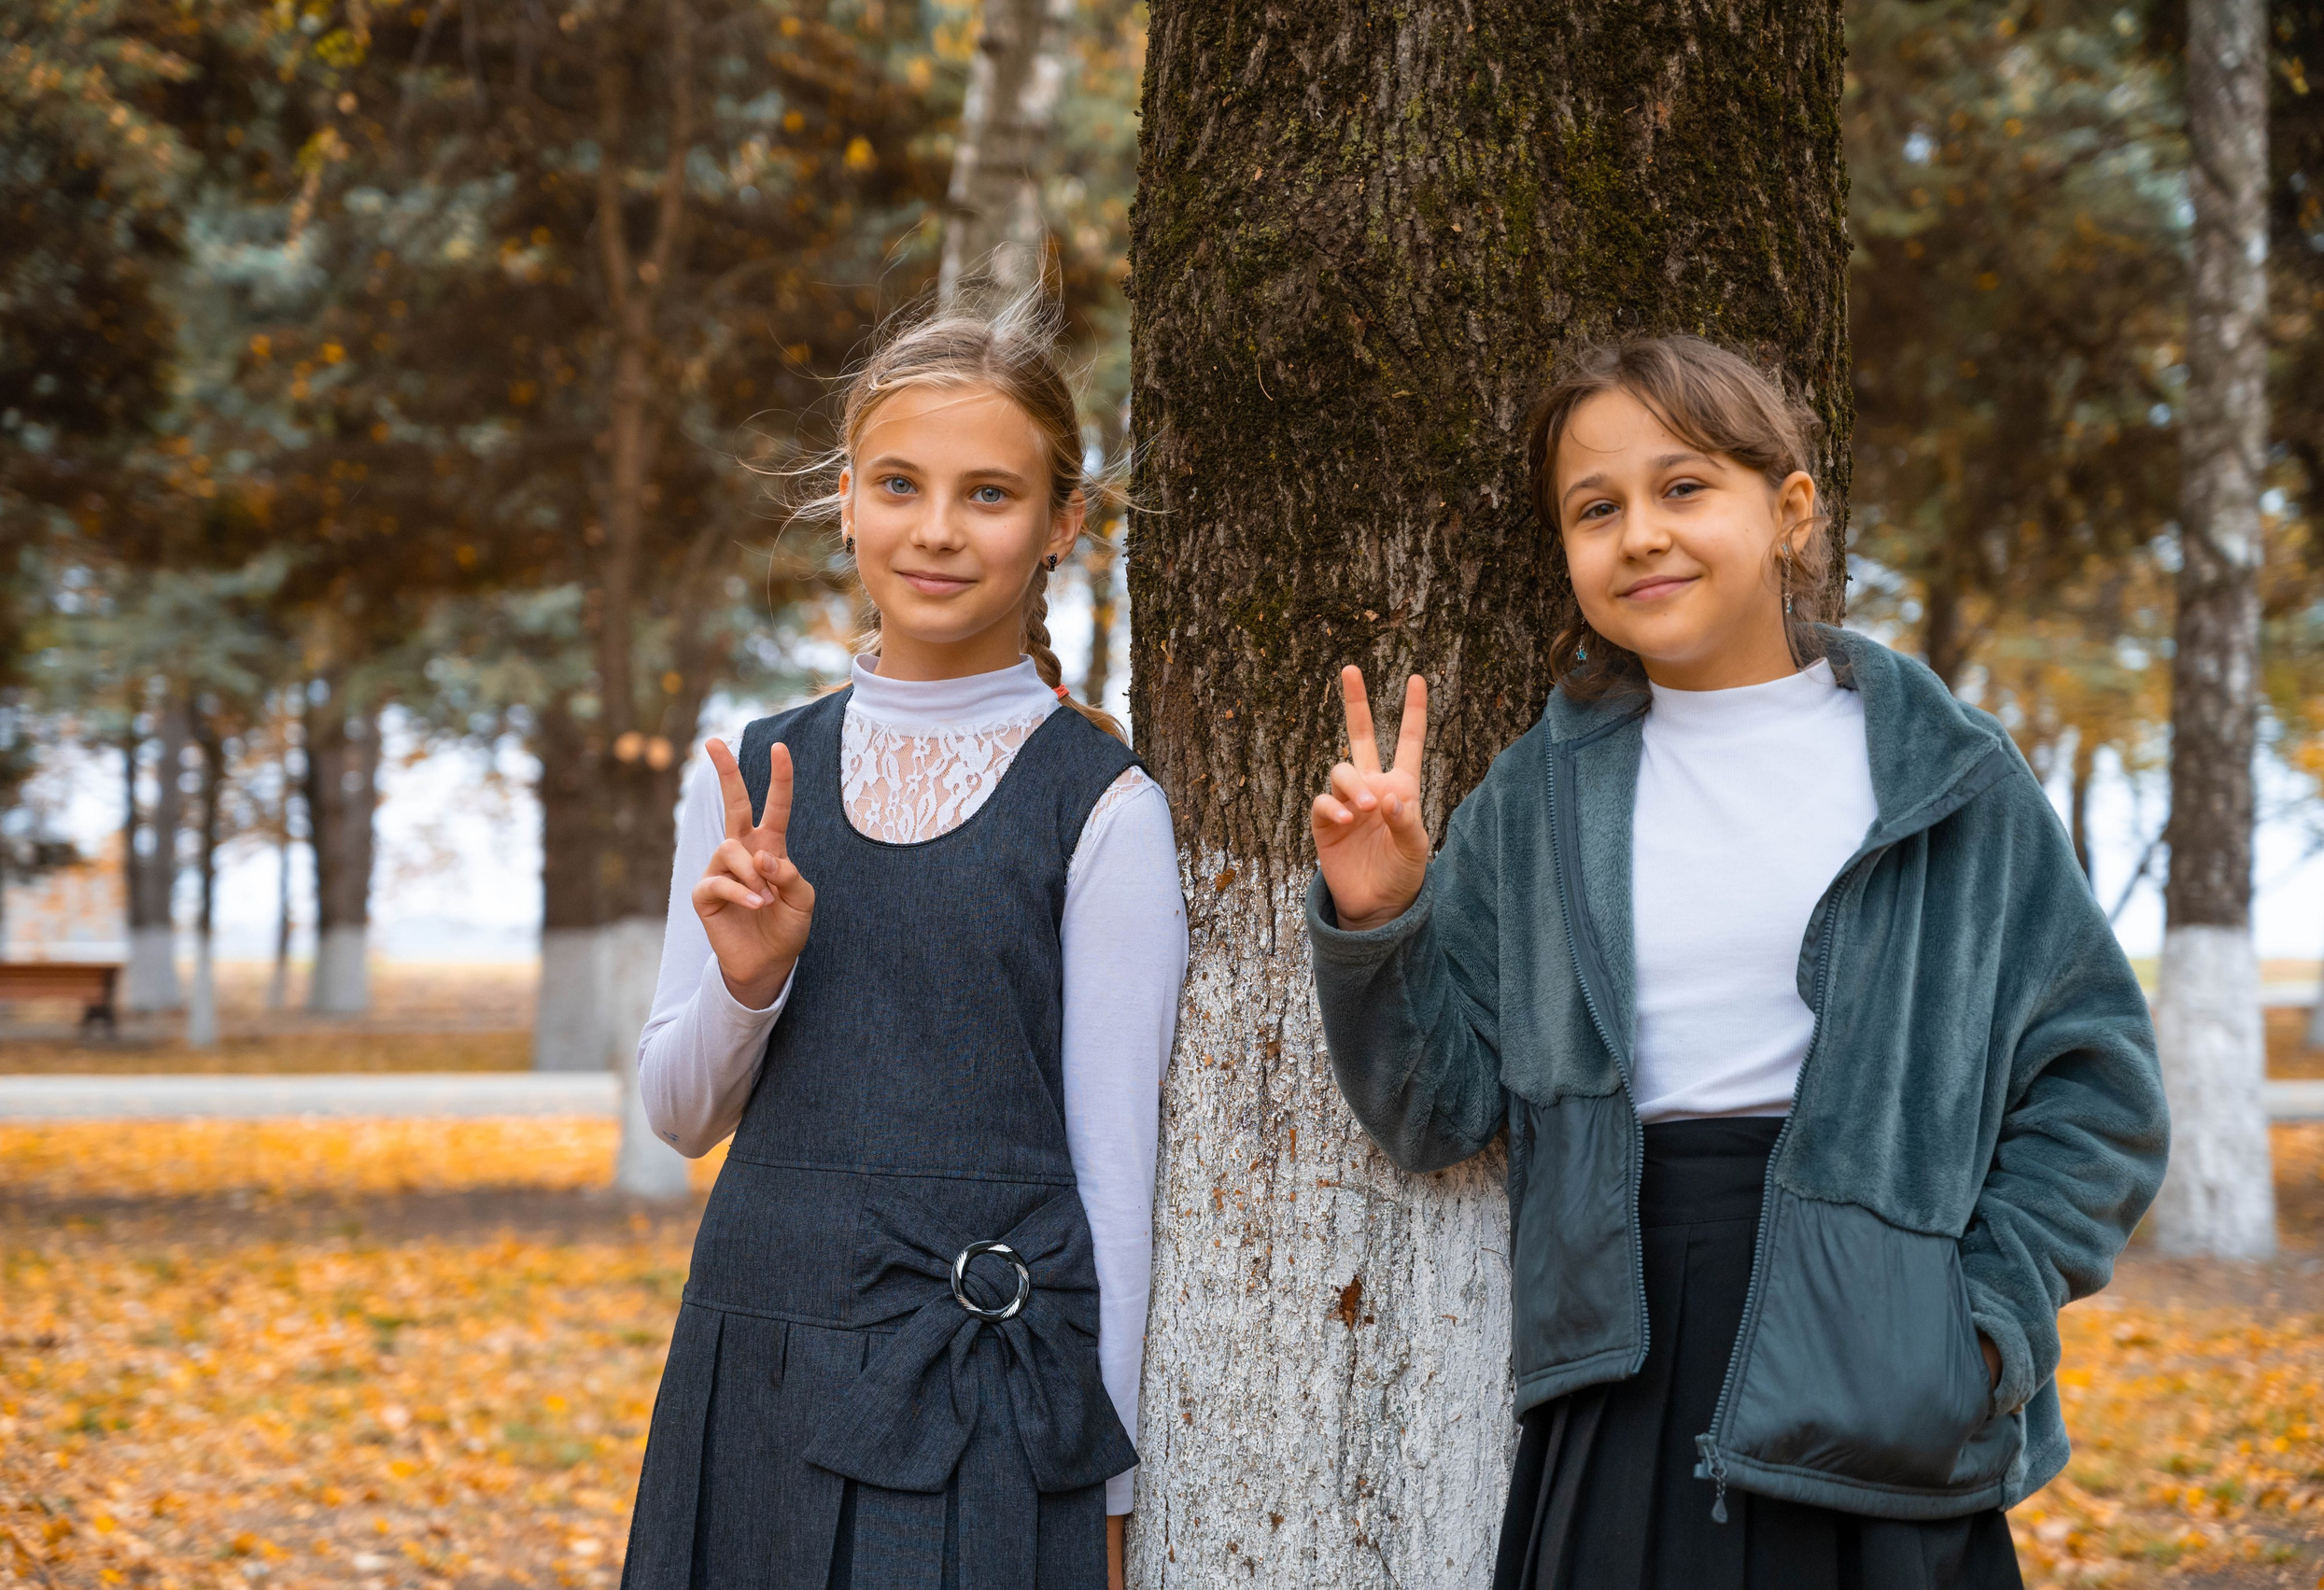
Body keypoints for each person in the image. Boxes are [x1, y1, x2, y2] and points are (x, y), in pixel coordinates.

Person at [1303, 334, 2168, 1589]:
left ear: (1790, 512)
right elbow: (1435, 1111)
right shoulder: (1539, 800)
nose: (1641, 533)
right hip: (1625, 1363)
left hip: (1887, 1365)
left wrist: (1981, 1328)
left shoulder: (1948, 777)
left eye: (1684, 487)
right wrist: (1379, 916)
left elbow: (2101, 1092)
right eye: (1596, 510)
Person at [618, 297, 1187, 1590]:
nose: (936, 530)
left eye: (989, 493)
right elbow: (677, 1109)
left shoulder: (1103, 808)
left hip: (981, 1393)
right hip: (756, 1347)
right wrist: (748, 986)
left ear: (1062, 525)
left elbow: (1114, 1170)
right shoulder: (751, 775)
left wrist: (1110, 1479)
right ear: (847, 500)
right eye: (899, 485)